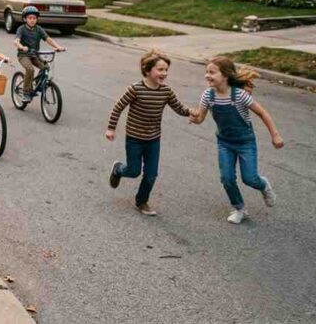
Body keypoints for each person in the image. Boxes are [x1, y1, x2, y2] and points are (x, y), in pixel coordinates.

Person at [188, 56, 283, 224]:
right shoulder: (208, 95)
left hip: (245, 142)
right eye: (206, 72)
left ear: (225, 75)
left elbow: (262, 113)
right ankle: (240, 209)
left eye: (212, 72)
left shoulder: (239, 95)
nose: (207, 75)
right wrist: (194, 118)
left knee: (250, 179)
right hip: (224, 143)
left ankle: (263, 185)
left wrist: (275, 135)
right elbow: (200, 117)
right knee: (227, 178)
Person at [106, 50, 192, 216]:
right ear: (147, 70)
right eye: (160, 69)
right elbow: (118, 107)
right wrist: (111, 128)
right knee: (134, 171)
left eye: (166, 70)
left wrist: (191, 112)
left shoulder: (166, 91)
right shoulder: (135, 89)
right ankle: (118, 169)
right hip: (134, 138)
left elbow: (179, 108)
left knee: (151, 174)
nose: (164, 73)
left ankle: (141, 201)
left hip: (153, 139)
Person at [13, 6, 66, 98]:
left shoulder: (38, 29)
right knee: (30, 69)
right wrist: (21, 47)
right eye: (30, 18)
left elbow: (48, 39)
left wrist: (58, 47)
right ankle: (26, 92)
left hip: (35, 55)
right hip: (23, 55)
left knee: (46, 67)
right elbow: (16, 41)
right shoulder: (21, 29)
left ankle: (38, 83)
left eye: (34, 18)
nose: (32, 20)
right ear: (25, 19)